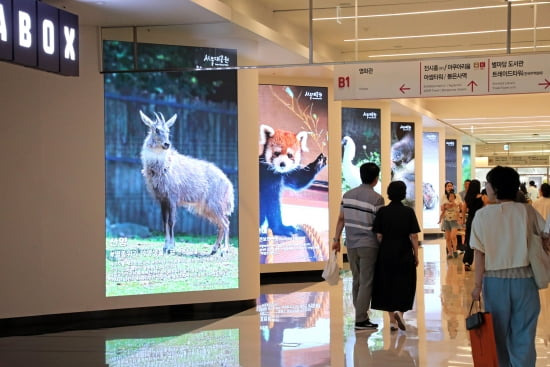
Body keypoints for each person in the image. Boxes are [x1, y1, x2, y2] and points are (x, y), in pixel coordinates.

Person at [470, 166, 545, 367]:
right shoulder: (528, 212)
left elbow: (479, 254)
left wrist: (477, 286)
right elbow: (546, 238)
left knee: (498, 336)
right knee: (524, 335)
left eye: (488, 183)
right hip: (526, 282)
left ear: (494, 188)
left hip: (495, 283)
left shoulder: (482, 216)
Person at [332, 162, 384, 330]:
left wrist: (336, 239)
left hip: (352, 244)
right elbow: (379, 227)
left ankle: (360, 315)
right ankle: (360, 319)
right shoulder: (377, 199)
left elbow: (341, 219)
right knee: (367, 281)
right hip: (369, 245)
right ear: (376, 179)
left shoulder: (347, 195)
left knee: (357, 279)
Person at [371, 181, 420, 332]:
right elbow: (414, 236)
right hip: (404, 250)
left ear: (389, 193)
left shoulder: (382, 212)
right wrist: (416, 255)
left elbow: (379, 235)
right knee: (405, 283)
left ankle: (392, 320)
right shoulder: (408, 212)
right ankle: (401, 314)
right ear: (403, 193)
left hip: (386, 250)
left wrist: (384, 246)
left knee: (387, 283)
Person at [462, 179, 483, 271]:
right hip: (479, 220)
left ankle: (467, 262)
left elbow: (464, 208)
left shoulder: (468, 197)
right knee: (481, 241)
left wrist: (463, 219)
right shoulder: (482, 197)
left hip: (470, 219)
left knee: (470, 240)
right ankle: (481, 263)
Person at [438, 191, 462, 259]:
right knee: (448, 238)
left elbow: (458, 211)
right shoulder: (445, 204)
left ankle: (455, 250)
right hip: (446, 221)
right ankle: (450, 252)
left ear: (454, 197)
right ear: (448, 198)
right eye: (450, 196)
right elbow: (442, 212)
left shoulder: (456, 203)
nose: (451, 197)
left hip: (454, 221)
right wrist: (440, 219)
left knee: (453, 236)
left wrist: (460, 219)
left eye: (452, 196)